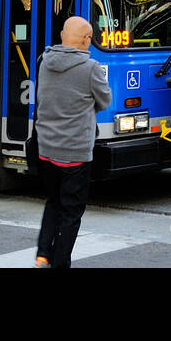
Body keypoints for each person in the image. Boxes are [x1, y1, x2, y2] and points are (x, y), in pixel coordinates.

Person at [33, 16, 113, 268]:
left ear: (62, 35)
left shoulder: (44, 61)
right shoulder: (91, 68)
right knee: (71, 211)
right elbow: (105, 101)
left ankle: (43, 254)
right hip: (75, 154)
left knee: (53, 201)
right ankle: (59, 263)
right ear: (87, 39)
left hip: (46, 148)